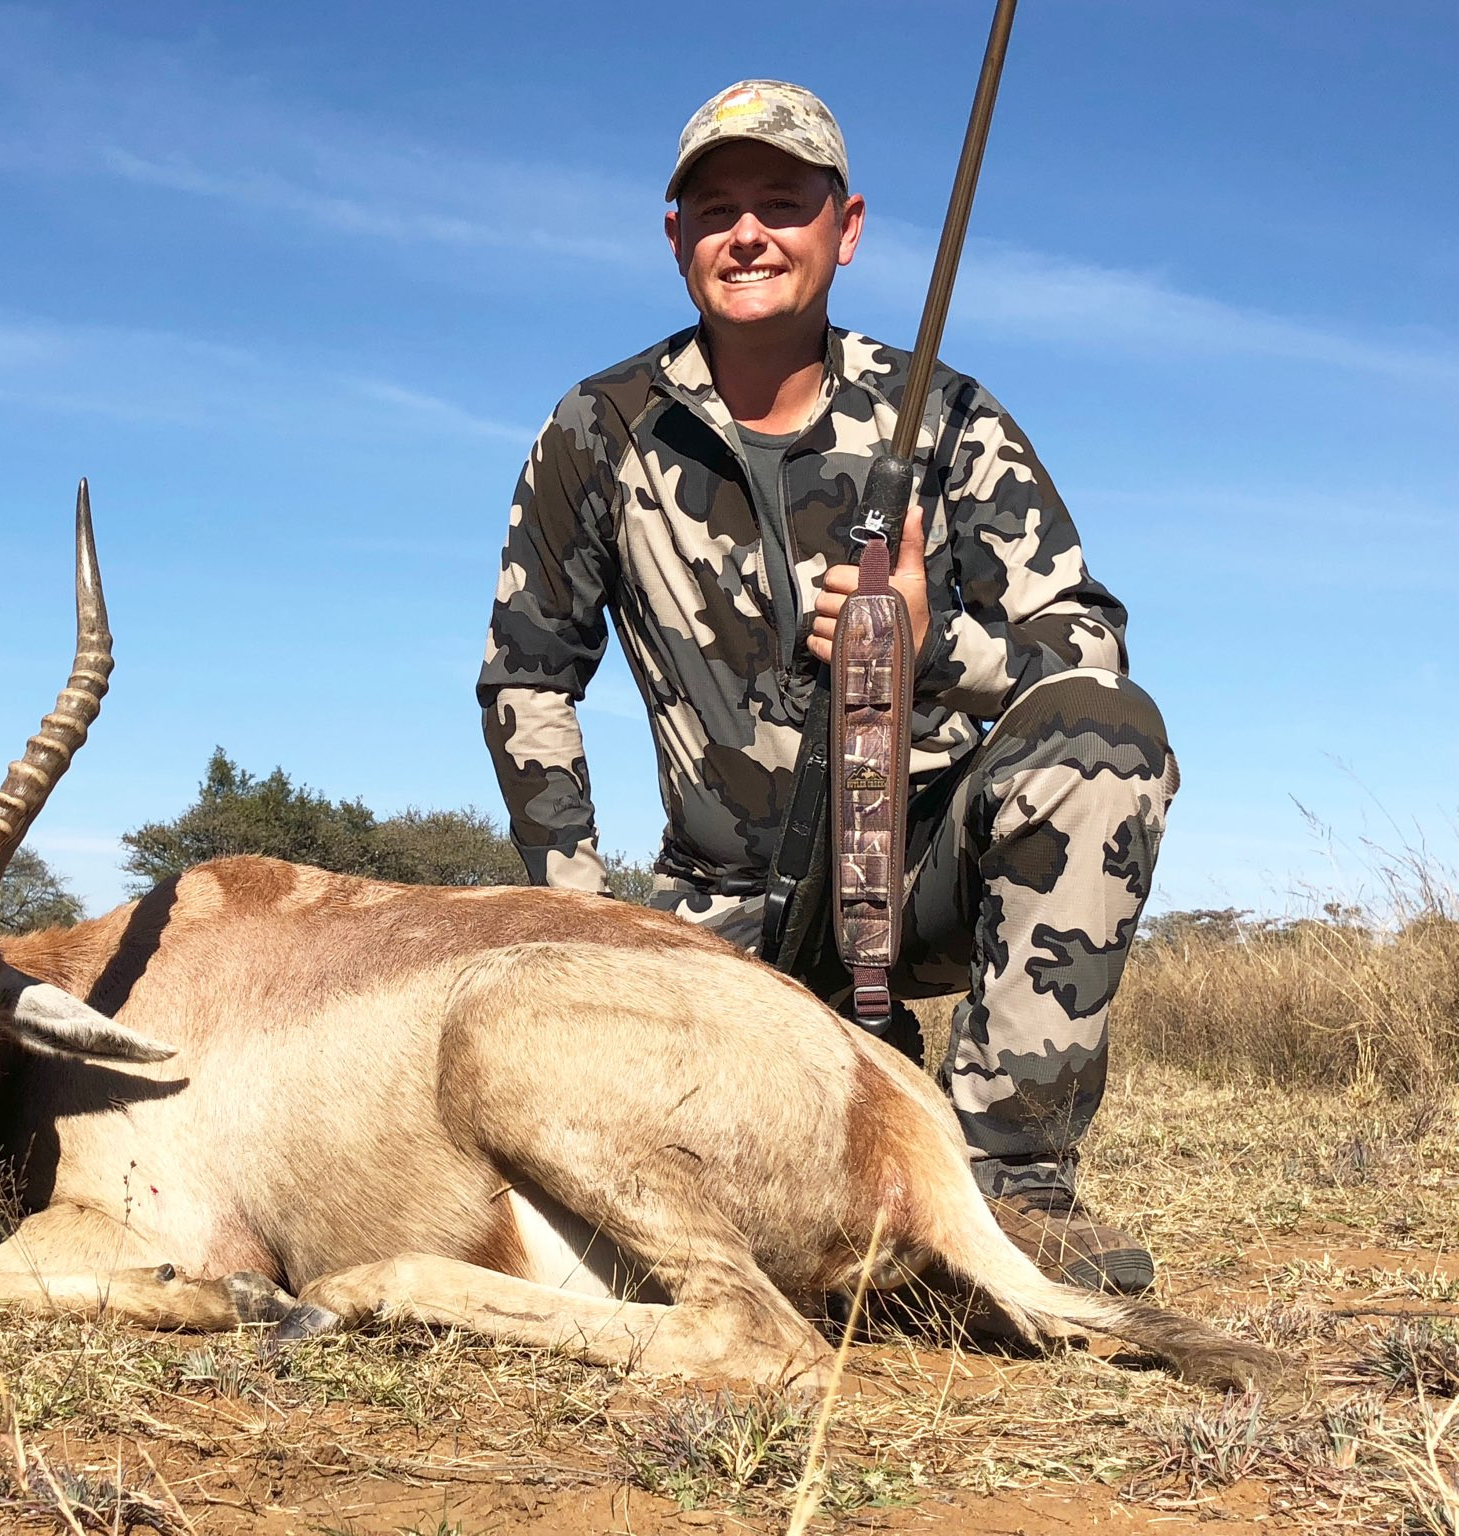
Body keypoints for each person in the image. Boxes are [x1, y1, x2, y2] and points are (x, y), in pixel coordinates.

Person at [477, 79, 1176, 1296]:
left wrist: (924, 645)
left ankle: (1011, 1185)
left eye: (780, 206)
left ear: (843, 228)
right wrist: (576, 920)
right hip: (718, 912)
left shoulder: (950, 418)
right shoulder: (600, 427)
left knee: (1106, 743)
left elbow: (1085, 653)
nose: (745, 235)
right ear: (675, 238)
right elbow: (526, 675)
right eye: (715, 210)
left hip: (915, 878)